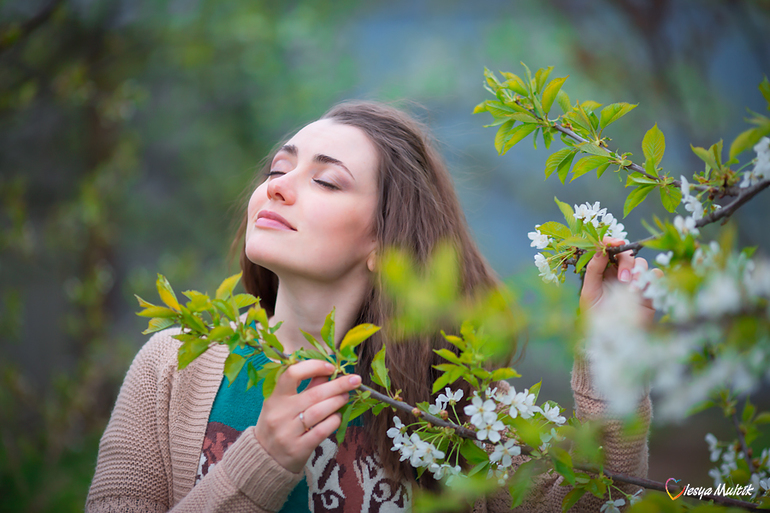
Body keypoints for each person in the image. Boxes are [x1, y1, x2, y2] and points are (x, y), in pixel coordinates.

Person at [86, 101, 653, 512]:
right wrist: (257, 463)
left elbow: (602, 499)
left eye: (326, 181)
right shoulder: (173, 365)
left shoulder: (454, 402)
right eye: (278, 170)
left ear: (385, 244)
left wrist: (614, 356)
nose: (278, 187)